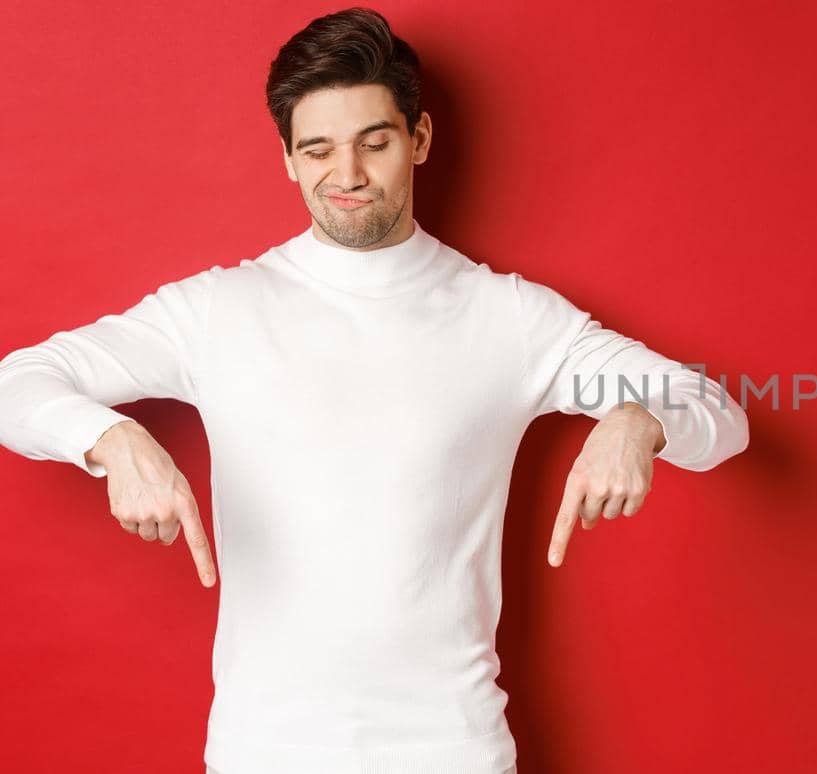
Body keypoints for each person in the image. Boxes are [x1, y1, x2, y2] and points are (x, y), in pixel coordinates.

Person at [0, 8, 749, 774]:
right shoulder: (217, 311)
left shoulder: (509, 317)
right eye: (318, 149)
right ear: (287, 158)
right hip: (262, 752)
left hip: (454, 750)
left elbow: (722, 416)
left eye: (375, 142)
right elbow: (15, 383)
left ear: (418, 139)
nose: (348, 175)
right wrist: (109, 440)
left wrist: (637, 417)